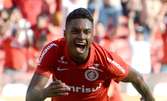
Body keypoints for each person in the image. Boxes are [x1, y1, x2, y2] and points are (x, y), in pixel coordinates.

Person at [26, 8, 155, 101]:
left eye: (86, 32)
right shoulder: (53, 51)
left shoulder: (105, 59)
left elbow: (137, 78)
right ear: (65, 34)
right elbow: (30, 96)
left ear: (92, 35)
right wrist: (45, 93)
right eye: (75, 31)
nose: (81, 37)